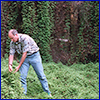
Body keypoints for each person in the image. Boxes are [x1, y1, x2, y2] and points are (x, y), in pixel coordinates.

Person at [8, 29, 52, 96]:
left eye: (12, 38)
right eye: (10, 39)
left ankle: (47, 92)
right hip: (25, 59)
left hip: (34, 56)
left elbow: (24, 54)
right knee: (22, 77)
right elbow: (11, 54)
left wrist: (19, 66)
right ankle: (23, 94)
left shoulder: (25, 38)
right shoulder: (12, 42)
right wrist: (10, 64)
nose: (11, 40)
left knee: (41, 75)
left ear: (16, 35)